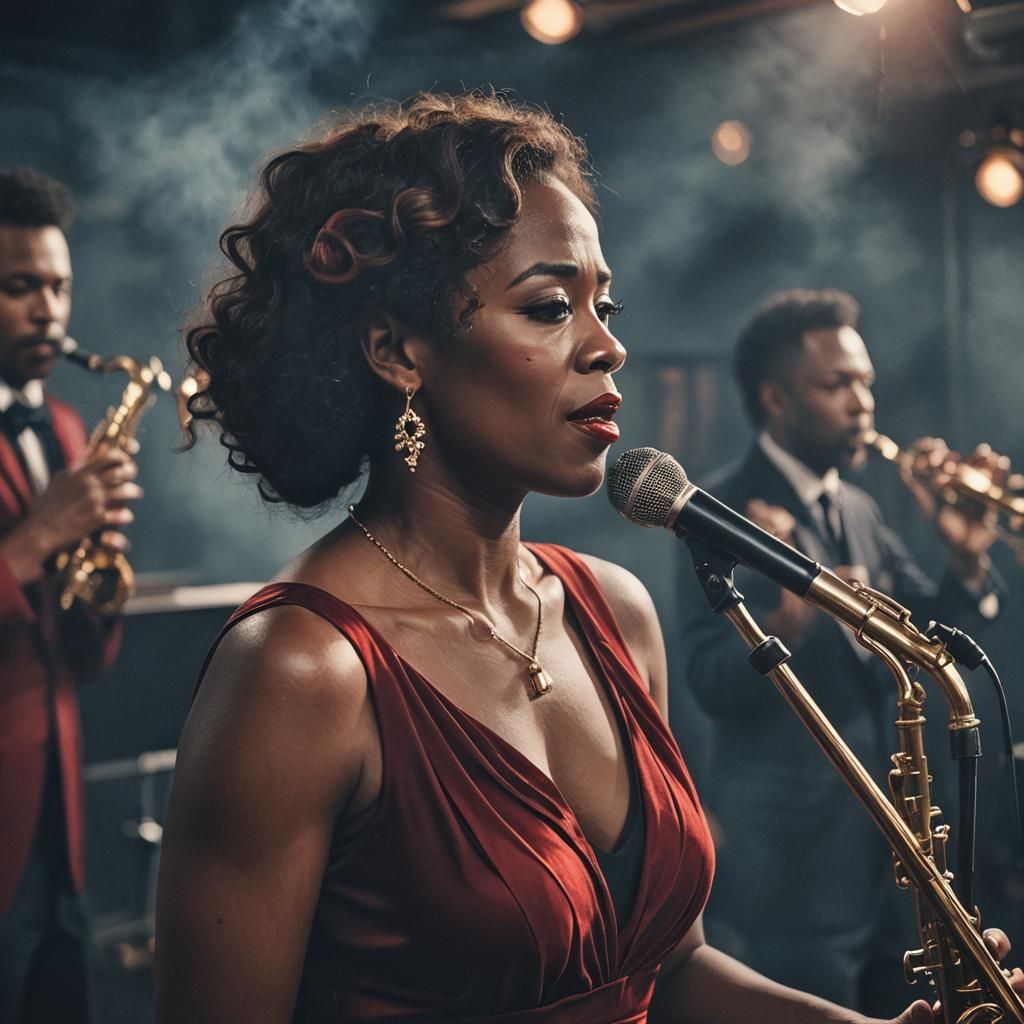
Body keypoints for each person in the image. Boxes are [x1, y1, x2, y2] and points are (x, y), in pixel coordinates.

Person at [155, 97, 1020, 1024]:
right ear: (397, 351)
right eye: (548, 307)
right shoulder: (301, 670)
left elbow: (673, 974)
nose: (608, 346)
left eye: (602, 306)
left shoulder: (612, 606)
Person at [678, 287, 1008, 1013]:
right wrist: (787, 628)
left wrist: (969, 565)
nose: (863, 403)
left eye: (866, 383)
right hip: (794, 866)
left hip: (892, 859)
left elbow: (930, 638)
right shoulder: (715, 511)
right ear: (775, 397)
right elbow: (703, 681)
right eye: (838, 385)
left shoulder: (858, 507)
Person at [0, 169, 142, 1022]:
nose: (50, 310)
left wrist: (100, 580)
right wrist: (36, 540)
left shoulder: (61, 428)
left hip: (56, 828)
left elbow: (80, 660)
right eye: (19, 287)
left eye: (59, 286)